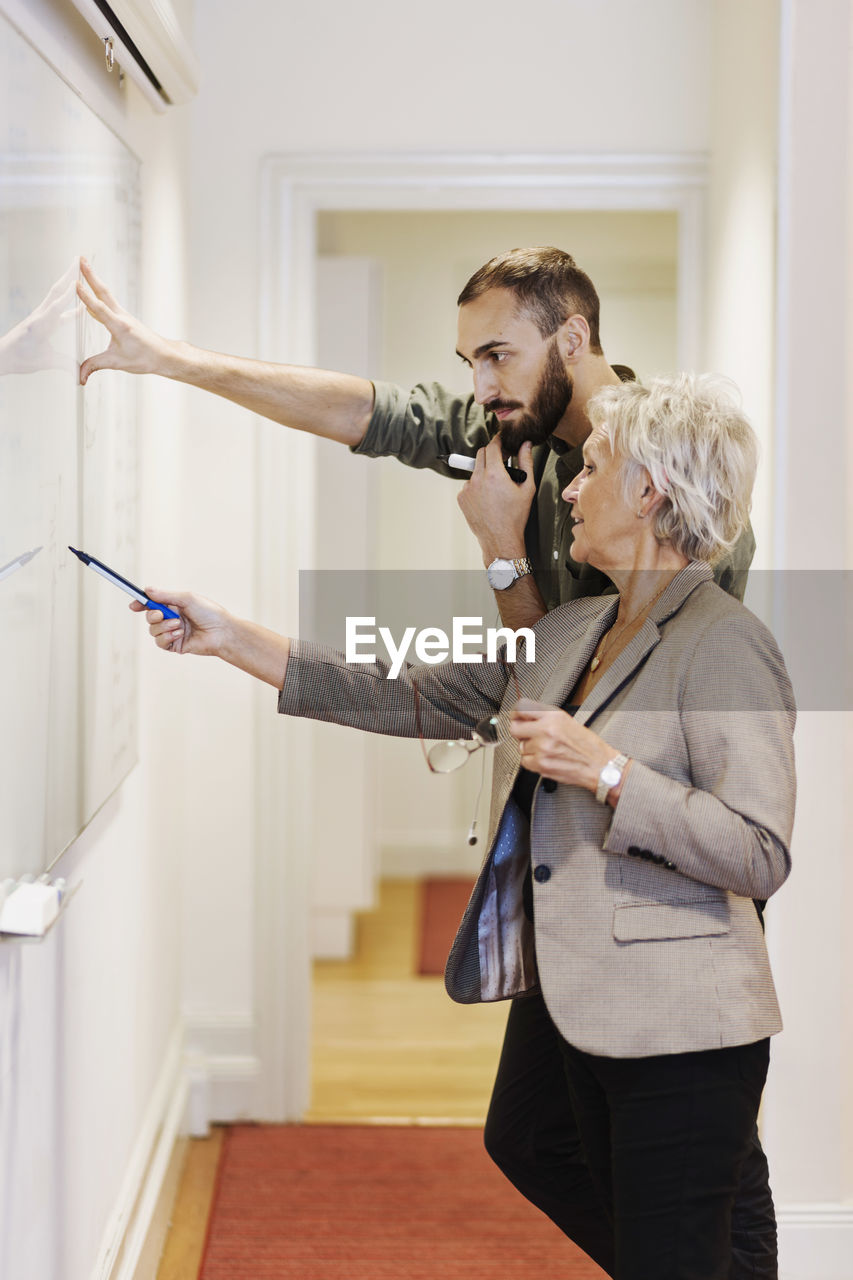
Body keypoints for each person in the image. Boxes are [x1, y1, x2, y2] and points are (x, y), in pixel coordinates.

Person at [134, 373, 795, 1280]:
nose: (566, 489)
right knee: (579, 1179)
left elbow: (759, 853)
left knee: (673, 1246)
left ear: (649, 491)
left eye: (591, 469)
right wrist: (227, 636)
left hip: (680, 1026)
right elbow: (402, 689)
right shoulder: (573, 629)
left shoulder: (724, 642)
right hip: (586, 999)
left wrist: (606, 772)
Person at [76, 246, 755, 631]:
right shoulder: (515, 433)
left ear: (571, 338)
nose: (481, 388)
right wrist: (171, 361)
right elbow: (372, 414)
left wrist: (499, 547)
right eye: (470, 365)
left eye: (497, 355)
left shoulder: (674, 483)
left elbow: (571, 691)